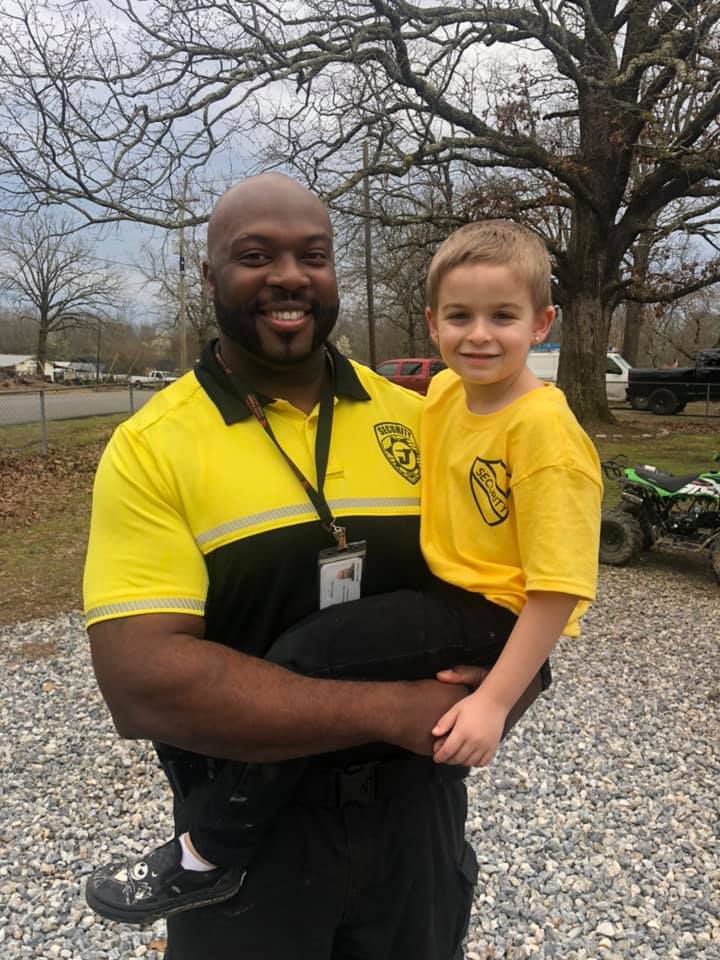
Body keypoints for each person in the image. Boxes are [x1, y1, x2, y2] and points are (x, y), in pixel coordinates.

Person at [84, 191, 601, 955]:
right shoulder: (151, 446)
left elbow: (515, 577)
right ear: (208, 274)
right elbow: (142, 685)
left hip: (415, 825)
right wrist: (399, 713)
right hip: (257, 848)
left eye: (313, 257)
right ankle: (206, 856)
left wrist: (500, 695)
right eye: (256, 256)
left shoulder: (420, 412)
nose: (289, 277)